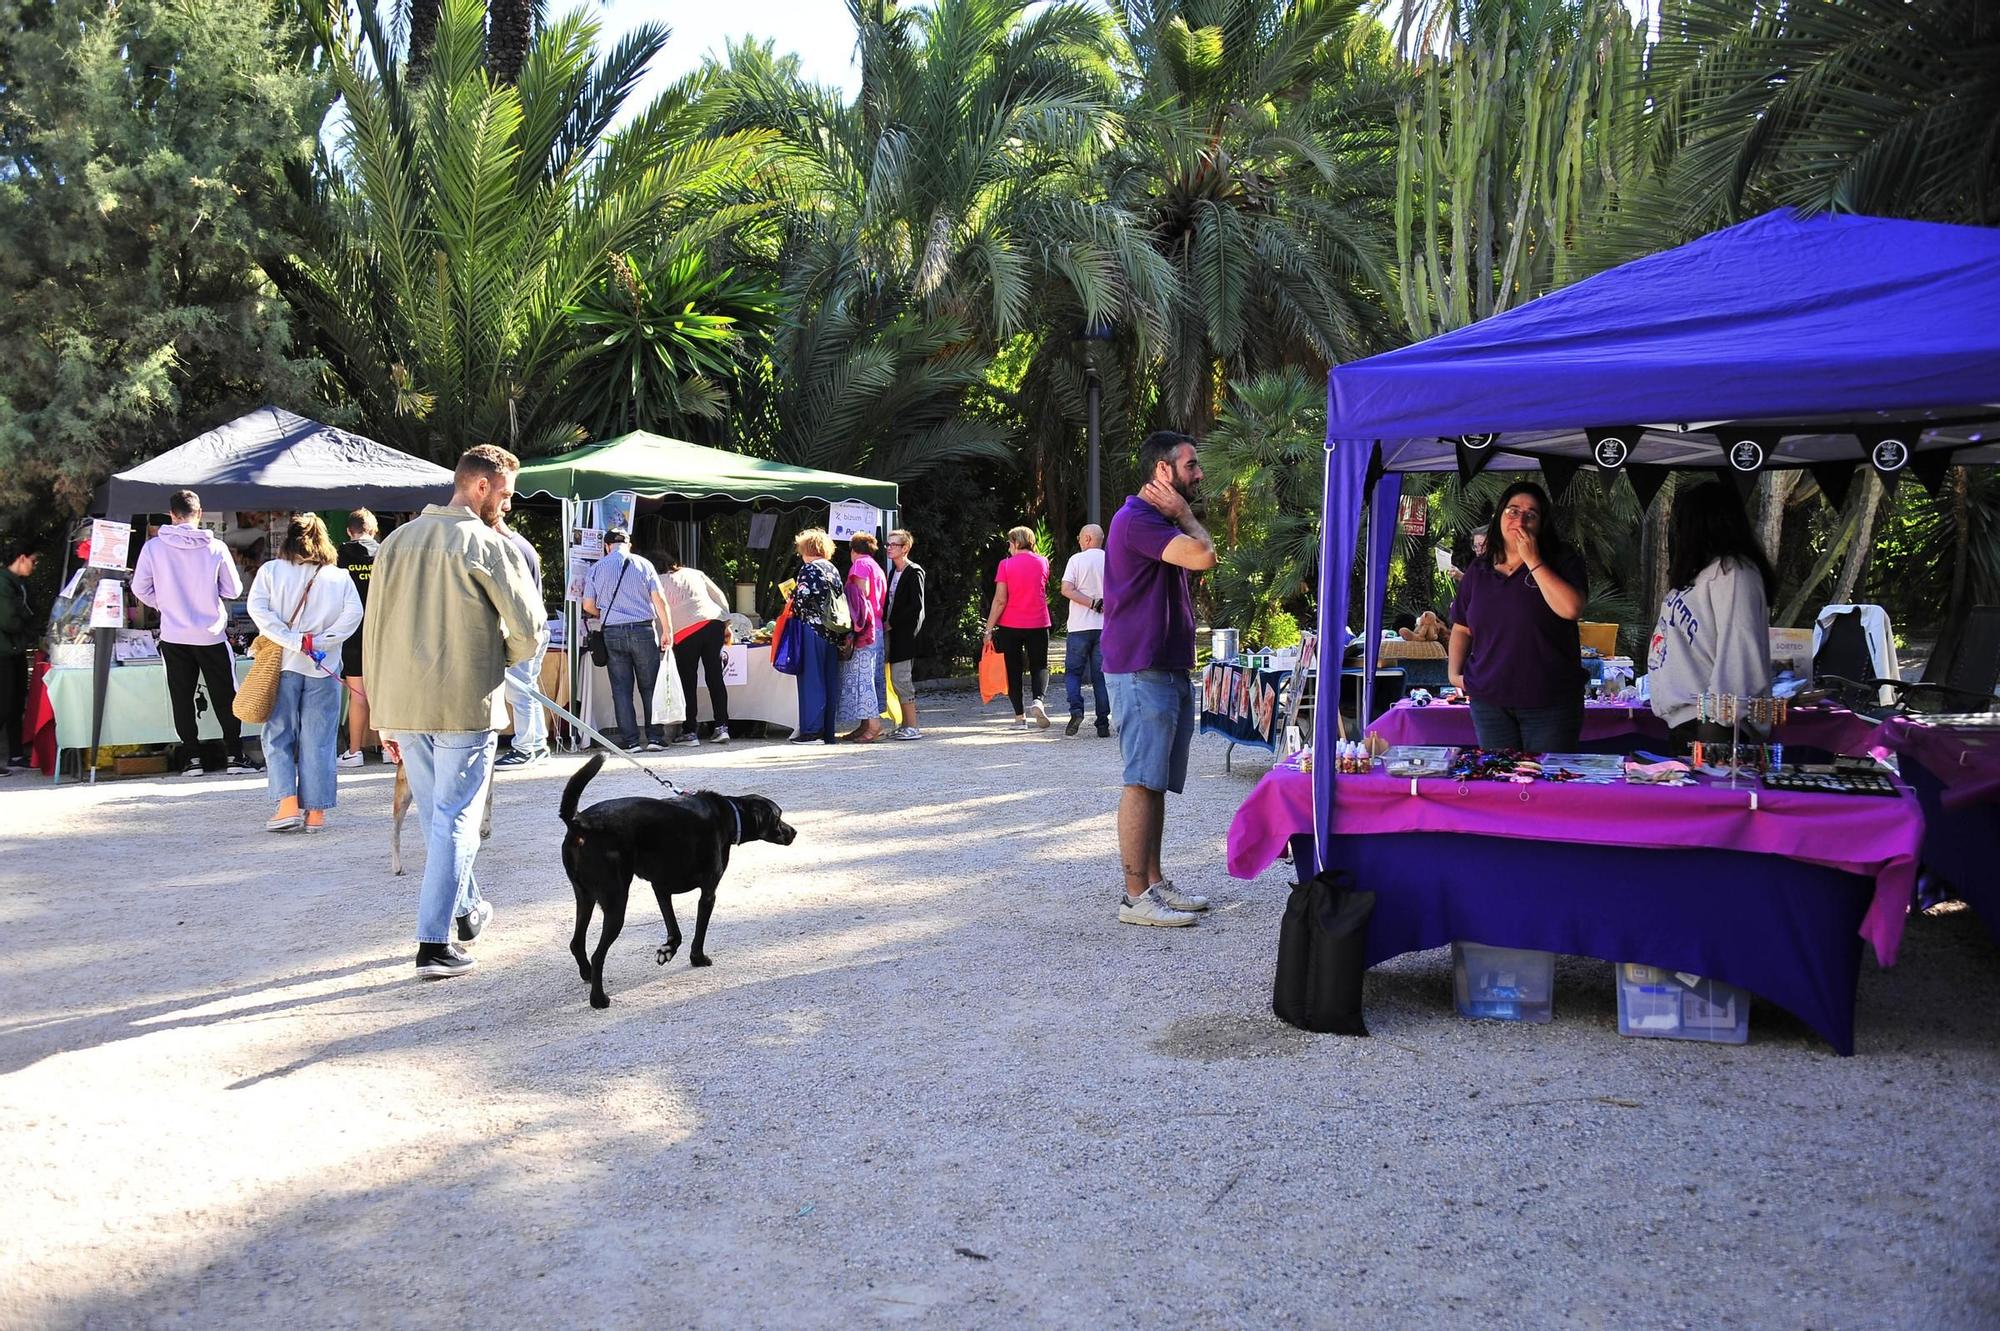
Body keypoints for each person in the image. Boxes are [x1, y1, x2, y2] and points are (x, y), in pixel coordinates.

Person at [367, 445, 546, 979]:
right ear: (481, 486)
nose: (508, 505)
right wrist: (499, 658)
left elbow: (372, 631)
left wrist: (381, 707)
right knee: (456, 818)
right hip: (463, 699)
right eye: (507, 494)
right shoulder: (488, 544)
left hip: (403, 701)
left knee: (437, 816)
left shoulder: (394, 542)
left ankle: (465, 909)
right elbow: (530, 630)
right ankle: (433, 942)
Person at [1104, 431, 1218, 927]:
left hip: (1164, 666)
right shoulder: (1138, 520)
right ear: (1162, 471)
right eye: (1191, 465)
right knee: (1141, 781)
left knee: (1157, 783)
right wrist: (1186, 516)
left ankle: (1152, 882)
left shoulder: (1156, 521)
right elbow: (1205, 556)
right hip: (1141, 668)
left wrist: (1181, 517)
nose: (1199, 473)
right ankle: (1135, 898)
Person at [1446, 481, 1589, 752]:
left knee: (1547, 778)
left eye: (1530, 515)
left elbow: (1571, 609)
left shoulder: (1562, 559)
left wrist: (1533, 560)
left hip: (1550, 702)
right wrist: (1454, 674)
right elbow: (1462, 627)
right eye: (1513, 511)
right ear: (1499, 516)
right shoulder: (1479, 569)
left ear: (1541, 523)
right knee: (1498, 776)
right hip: (1490, 702)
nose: (1520, 520)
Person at [247, 515, 363, 832]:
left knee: (278, 734)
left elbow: (258, 610)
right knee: (320, 739)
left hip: (282, 665)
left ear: (288, 539)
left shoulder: (271, 571)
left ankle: (287, 806)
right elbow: (354, 614)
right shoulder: (339, 577)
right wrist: (322, 641)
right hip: (323, 666)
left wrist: (292, 640)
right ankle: (316, 813)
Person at [130, 488, 257, 776]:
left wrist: (163, 603)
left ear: (171, 515)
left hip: (174, 634)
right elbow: (233, 590)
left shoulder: (153, 548)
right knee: (225, 694)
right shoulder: (216, 547)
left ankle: (192, 758)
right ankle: (235, 755)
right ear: (199, 513)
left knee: (182, 696)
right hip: (211, 633)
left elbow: (140, 588)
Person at [1648, 481, 1777, 746]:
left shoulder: (1733, 573)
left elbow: (1739, 650)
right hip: (1688, 721)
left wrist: (1718, 724)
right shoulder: (1702, 574)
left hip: (1712, 726)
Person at [581, 529, 674, 752]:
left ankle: (631, 741)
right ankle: (654, 738)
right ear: (629, 545)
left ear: (607, 547)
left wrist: (606, 614)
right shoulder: (644, 564)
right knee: (650, 687)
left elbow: (587, 605)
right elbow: (660, 600)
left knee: (621, 689)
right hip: (643, 630)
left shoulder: (597, 568)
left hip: (612, 632)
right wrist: (667, 630)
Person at [493, 509, 551, 767]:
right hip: (535, 626)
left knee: (520, 691)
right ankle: (536, 744)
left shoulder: (509, 548)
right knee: (527, 688)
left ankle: (527, 747)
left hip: (525, 628)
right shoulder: (522, 544)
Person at [659, 549, 733, 746]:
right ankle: (722, 727)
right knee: (715, 676)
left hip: (684, 631)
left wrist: (662, 637)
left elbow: (658, 612)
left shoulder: (656, 581)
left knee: (688, 681)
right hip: (713, 622)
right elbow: (719, 596)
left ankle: (690, 731)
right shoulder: (694, 573)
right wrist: (726, 622)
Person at [983, 526, 1054, 729]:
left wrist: (988, 629)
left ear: (1015, 542)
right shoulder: (1043, 562)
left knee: (1013, 670)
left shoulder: (1005, 565)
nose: (1008, 547)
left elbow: (1000, 600)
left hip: (1010, 624)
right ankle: (1038, 701)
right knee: (1039, 665)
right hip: (1039, 622)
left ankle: (1019, 718)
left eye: (1009, 543)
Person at [786, 529, 846, 745]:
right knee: (828, 680)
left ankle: (812, 732)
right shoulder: (832, 569)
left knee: (811, 679)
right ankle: (827, 732)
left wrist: (790, 598)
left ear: (806, 548)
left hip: (812, 629)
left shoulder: (809, 569)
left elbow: (802, 600)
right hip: (831, 631)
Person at [336, 510, 380, 767]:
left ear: (348, 531)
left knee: (358, 693)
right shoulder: (385, 553)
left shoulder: (339, 556)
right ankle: (390, 749)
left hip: (352, 633)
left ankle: (354, 752)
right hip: (383, 632)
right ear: (374, 530)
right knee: (384, 692)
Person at [1059, 523, 1111, 738]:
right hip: (1105, 627)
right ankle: (1102, 723)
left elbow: (1066, 589)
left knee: (1073, 672)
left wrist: (1092, 604)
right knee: (1102, 676)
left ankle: (1076, 710)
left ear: (1088, 538)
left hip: (1079, 627)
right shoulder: (1112, 560)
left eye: (1080, 537)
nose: (1079, 541)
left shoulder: (1076, 560)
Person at [838, 533, 888, 743]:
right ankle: (865, 724)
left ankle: (874, 726)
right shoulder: (877, 567)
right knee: (872, 677)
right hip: (877, 628)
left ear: (853, 550)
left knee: (862, 678)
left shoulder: (859, 565)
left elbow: (860, 596)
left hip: (864, 630)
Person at [883, 529, 927, 740]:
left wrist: (892, 623)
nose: (889, 548)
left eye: (894, 544)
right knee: (895, 679)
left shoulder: (914, 571)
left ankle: (913, 726)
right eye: (888, 544)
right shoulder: (893, 572)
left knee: (902, 678)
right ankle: (904, 724)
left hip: (905, 635)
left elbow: (916, 606)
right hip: (893, 633)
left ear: (905, 548)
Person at [1, 543, 37, 773]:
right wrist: (26, 621)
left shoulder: (18, 583)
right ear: (21, 558)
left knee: (15, 703)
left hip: (15, 649)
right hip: (4, 651)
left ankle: (16, 754)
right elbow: (8, 621)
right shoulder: (4, 583)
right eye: (33, 561)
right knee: (4, 703)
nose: (34, 566)